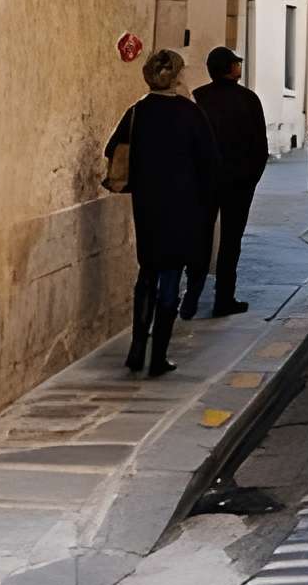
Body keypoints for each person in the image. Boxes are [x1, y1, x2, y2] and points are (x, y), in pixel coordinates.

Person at [106, 48, 218, 378]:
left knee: (147, 271)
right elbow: (210, 162)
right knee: (171, 274)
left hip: (147, 203)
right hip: (182, 205)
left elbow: (113, 149)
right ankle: (158, 357)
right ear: (177, 76)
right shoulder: (190, 113)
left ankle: (137, 348)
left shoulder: (137, 111)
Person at [184, 45, 268, 319]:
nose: (239, 66)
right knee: (231, 241)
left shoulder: (198, 98)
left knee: (200, 237)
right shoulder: (248, 99)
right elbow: (260, 146)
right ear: (230, 69)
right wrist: (251, 178)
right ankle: (224, 298)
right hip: (239, 183)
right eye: (236, 63)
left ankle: (191, 296)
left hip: (205, 182)